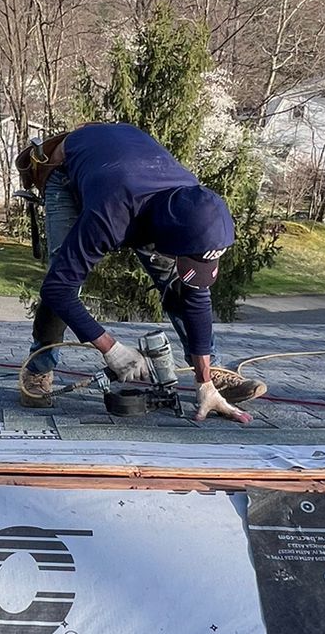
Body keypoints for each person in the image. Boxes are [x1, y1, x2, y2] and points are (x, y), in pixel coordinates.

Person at [16, 124, 265, 423]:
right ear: (171, 244)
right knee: (64, 272)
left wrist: (204, 381)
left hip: (128, 173)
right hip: (68, 173)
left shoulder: (194, 206)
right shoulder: (111, 215)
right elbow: (58, 288)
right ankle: (39, 368)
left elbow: (195, 295)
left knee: (179, 284)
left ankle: (212, 373)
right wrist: (111, 348)